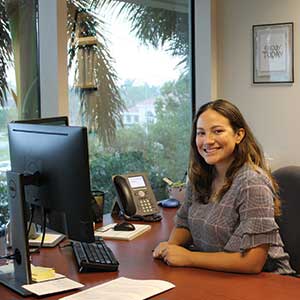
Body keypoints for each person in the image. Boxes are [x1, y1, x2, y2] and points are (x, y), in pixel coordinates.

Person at [153, 99, 294, 274]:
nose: (207, 141)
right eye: (201, 133)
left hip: (267, 282)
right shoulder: (200, 176)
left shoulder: (252, 183)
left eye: (217, 131)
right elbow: (184, 224)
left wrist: (188, 257)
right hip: (216, 274)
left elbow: (252, 263)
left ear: (239, 135)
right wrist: (170, 247)